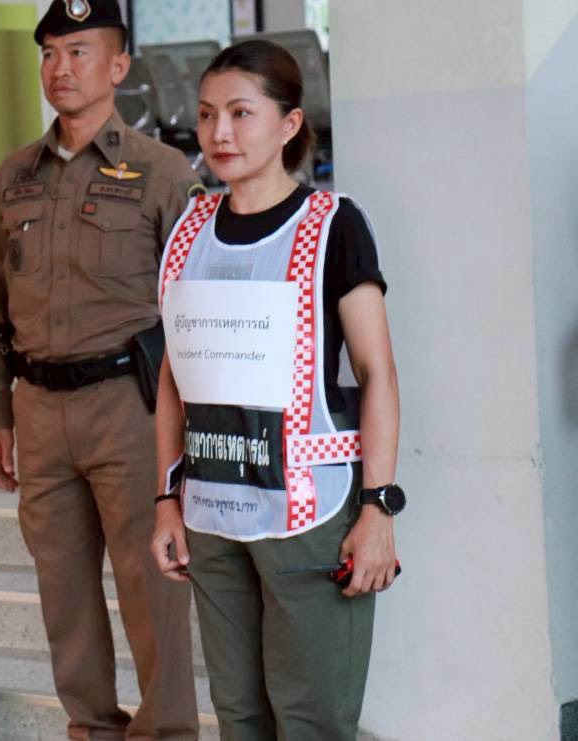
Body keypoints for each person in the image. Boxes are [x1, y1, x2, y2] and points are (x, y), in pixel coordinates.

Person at [151, 39, 402, 741]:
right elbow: (173, 381)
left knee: (312, 718)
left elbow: (378, 373)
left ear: (290, 124)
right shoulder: (188, 232)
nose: (219, 132)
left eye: (241, 113)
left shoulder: (332, 225)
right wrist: (165, 499)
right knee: (239, 715)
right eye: (207, 114)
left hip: (310, 513)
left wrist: (378, 507)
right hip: (213, 510)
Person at [0, 0, 200, 740]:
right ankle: (92, 729)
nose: (60, 68)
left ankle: (167, 732)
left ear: (118, 66)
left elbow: (191, 309)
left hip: (131, 409)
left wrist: (188, 431)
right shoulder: (13, 177)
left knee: (152, 591)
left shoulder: (162, 172)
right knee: (64, 598)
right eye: (49, 53)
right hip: (41, 411)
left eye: (78, 51)